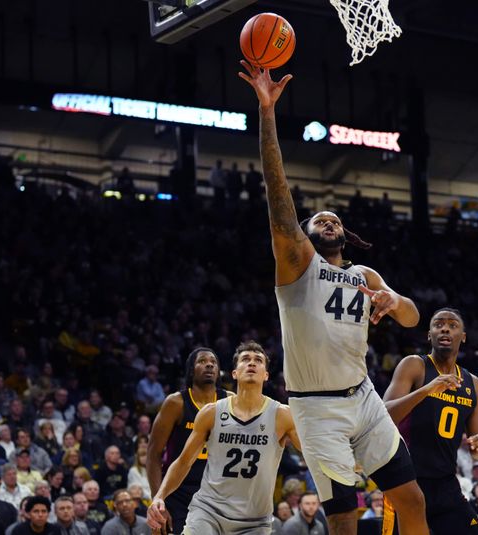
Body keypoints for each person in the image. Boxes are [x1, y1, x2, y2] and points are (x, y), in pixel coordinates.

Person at [239, 60, 428, 535]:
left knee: (412, 498)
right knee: (343, 518)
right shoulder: (299, 268)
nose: (327, 219)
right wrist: (267, 112)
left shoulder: (363, 272)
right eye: (316, 219)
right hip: (316, 408)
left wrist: (392, 300)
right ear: (302, 237)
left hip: (363, 398)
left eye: (333, 218)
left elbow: (412, 318)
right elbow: (278, 200)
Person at [147, 342, 299, 534]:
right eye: (245, 359)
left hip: (255, 520)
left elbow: (313, 455)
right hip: (209, 510)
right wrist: (159, 496)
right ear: (234, 373)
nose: (251, 363)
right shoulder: (211, 412)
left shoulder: (282, 415)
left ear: (266, 375)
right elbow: (183, 461)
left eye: (258, 360)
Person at [382, 308, 478, 533]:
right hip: (407, 482)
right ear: (429, 335)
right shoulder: (414, 365)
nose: (445, 328)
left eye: (452, 324)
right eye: (438, 324)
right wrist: (428, 389)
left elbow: (477, 449)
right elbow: (383, 416)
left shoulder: (473, 383)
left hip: (446, 484)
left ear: (463, 336)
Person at [147, 347, 229, 534]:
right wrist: (158, 500)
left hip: (216, 491)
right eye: (202, 361)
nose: (209, 364)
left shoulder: (229, 402)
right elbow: (153, 455)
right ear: (191, 370)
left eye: (213, 362)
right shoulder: (176, 403)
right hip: (179, 492)